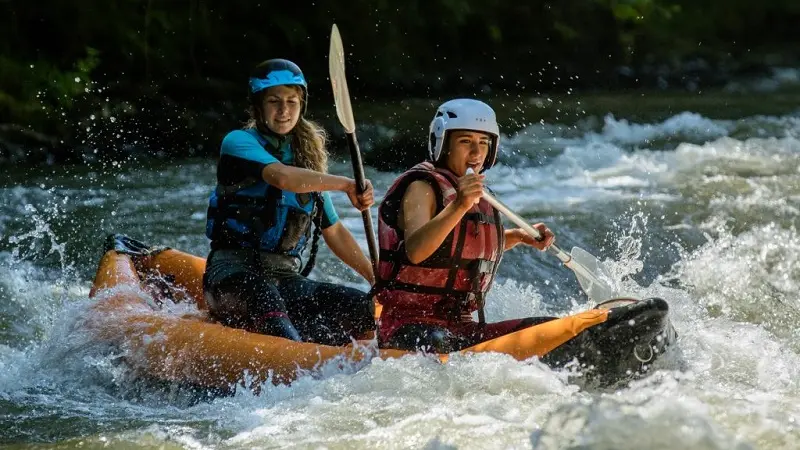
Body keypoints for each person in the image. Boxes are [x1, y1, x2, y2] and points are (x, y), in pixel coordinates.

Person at [203, 58, 376, 346]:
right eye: (274, 101)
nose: (284, 110)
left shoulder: (307, 167)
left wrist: (375, 278)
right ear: (259, 106)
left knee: (358, 307)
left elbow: (335, 232)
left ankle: (336, 358)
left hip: (284, 277)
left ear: (302, 105)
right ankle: (294, 357)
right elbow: (282, 178)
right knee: (265, 299)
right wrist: (347, 185)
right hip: (231, 273)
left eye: (292, 102)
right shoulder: (237, 143)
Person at [375, 98, 557, 353]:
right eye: (465, 142)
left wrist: (517, 236)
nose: (476, 153)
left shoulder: (474, 193)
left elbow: (458, 248)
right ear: (442, 144)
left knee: (546, 327)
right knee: (440, 340)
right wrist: (459, 205)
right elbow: (416, 251)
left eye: (483, 143)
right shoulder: (422, 187)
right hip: (407, 324)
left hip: (461, 326)